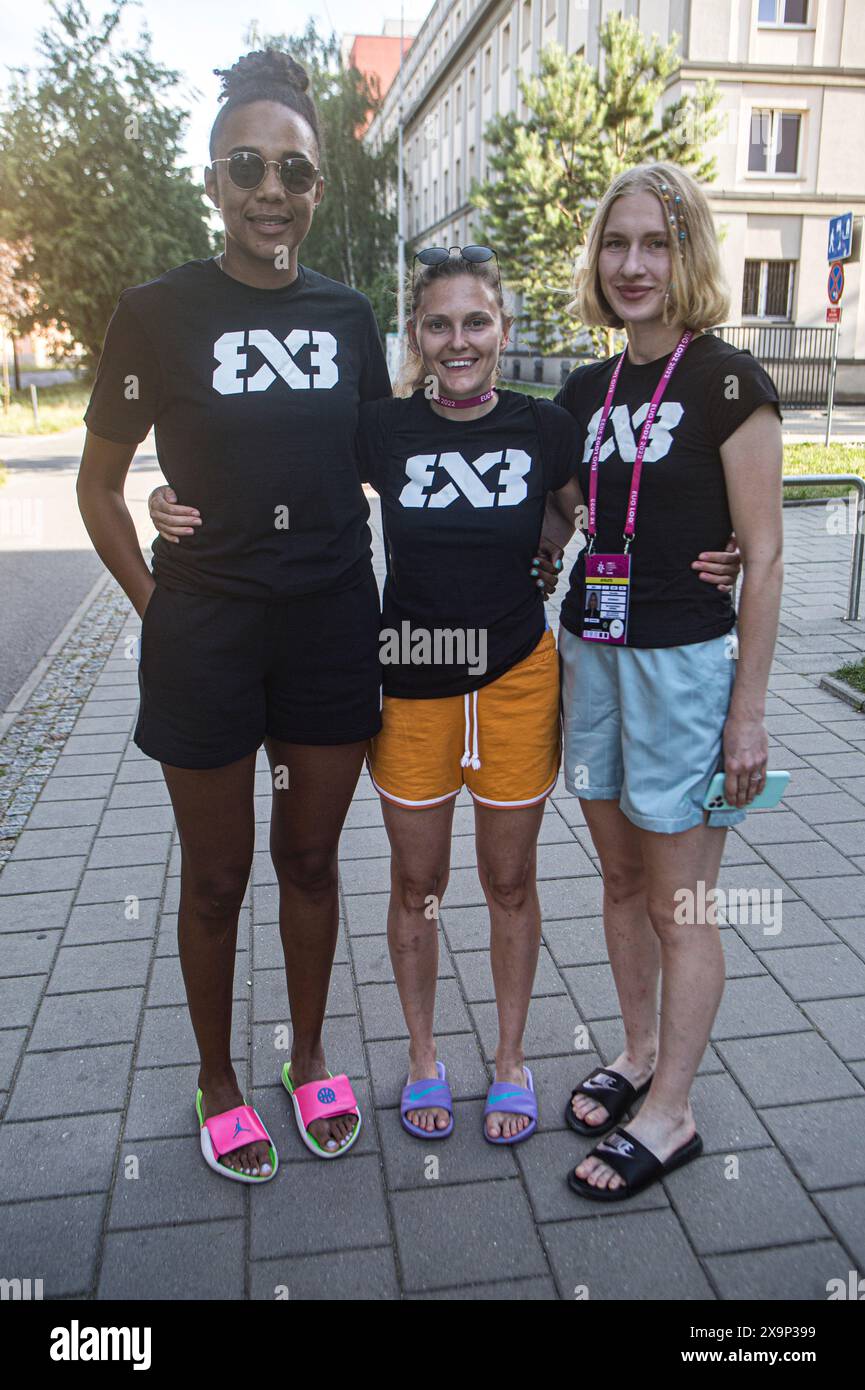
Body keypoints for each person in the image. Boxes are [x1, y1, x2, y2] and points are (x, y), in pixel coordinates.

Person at [152, 245, 739, 1145]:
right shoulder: (380, 429)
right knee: (417, 880)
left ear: (502, 328)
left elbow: (616, 505)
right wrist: (174, 496)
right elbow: (286, 469)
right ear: (415, 337)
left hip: (515, 680)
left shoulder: (547, 427)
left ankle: (508, 1062)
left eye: (476, 321)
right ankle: (423, 1057)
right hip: (413, 680)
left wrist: (725, 543)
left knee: (509, 879)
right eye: (438, 324)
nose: (458, 340)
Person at [77, 50, 391, 1180]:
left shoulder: (350, 315)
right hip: (204, 631)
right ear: (213, 179)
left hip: (325, 627)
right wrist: (159, 604)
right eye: (249, 165)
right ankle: (216, 1074)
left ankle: (308, 1058)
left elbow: (390, 460)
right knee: (216, 877)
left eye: (294, 169)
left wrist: (555, 512)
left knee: (310, 861)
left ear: (317, 187)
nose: (273, 187)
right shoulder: (156, 313)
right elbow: (98, 488)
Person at [540, 162, 783, 1200]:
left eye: (654, 243)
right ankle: (637, 1055)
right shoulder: (584, 390)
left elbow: (764, 556)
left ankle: (673, 1112)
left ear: (686, 255)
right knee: (619, 880)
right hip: (588, 656)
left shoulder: (729, 382)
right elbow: (557, 509)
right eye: (615, 244)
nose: (631, 264)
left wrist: (747, 716)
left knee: (682, 904)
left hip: (683, 668)